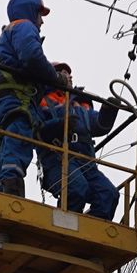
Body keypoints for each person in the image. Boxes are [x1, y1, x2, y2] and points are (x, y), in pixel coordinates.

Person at [0, 0, 61, 195]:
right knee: (17, 137)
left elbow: (25, 69)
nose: (42, 22)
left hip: (0, 105)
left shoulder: (5, 36)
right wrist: (56, 79)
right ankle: (12, 188)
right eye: (40, 15)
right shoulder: (24, 27)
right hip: (18, 102)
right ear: (30, 11)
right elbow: (31, 57)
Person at [37, 63, 120, 220]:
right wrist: (60, 125)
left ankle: (92, 232)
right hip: (58, 160)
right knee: (76, 188)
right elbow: (38, 129)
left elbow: (99, 125)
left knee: (108, 194)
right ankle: (65, 229)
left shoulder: (80, 103)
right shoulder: (43, 99)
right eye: (63, 72)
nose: (69, 76)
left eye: (69, 74)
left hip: (86, 163)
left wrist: (109, 112)